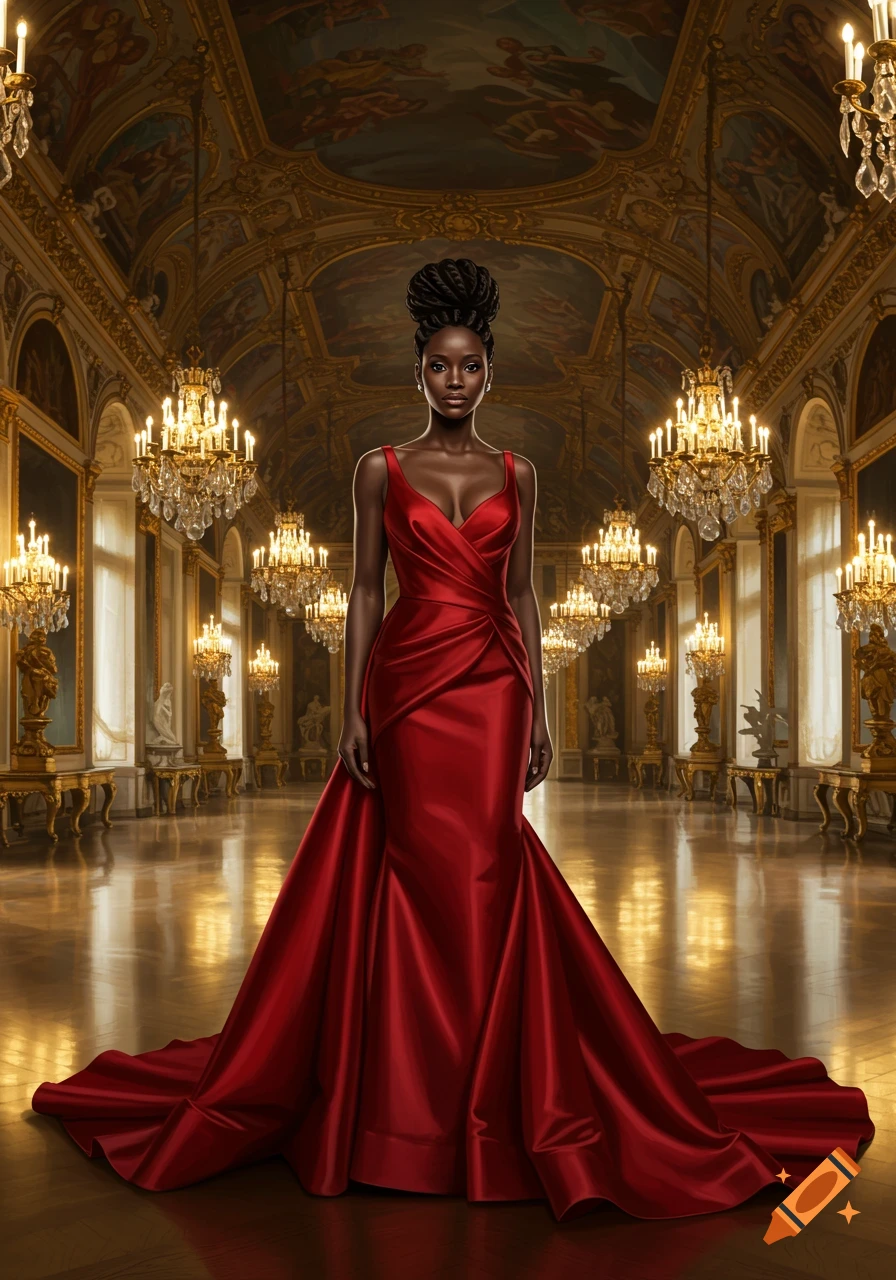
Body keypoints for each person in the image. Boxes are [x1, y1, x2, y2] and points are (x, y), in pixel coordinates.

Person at [31, 258, 873, 1221]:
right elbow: (358, 590)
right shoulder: (378, 470)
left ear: (490, 373)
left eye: (470, 366)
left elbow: (521, 593)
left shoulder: (520, 472)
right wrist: (353, 707)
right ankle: (408, 1106)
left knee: (485, 874)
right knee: (414, 875)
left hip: (496, 689)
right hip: (406, 688)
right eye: (440, 366)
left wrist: (543, 707)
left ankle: (488, 1100)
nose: (456, 381)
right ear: (418, 372)